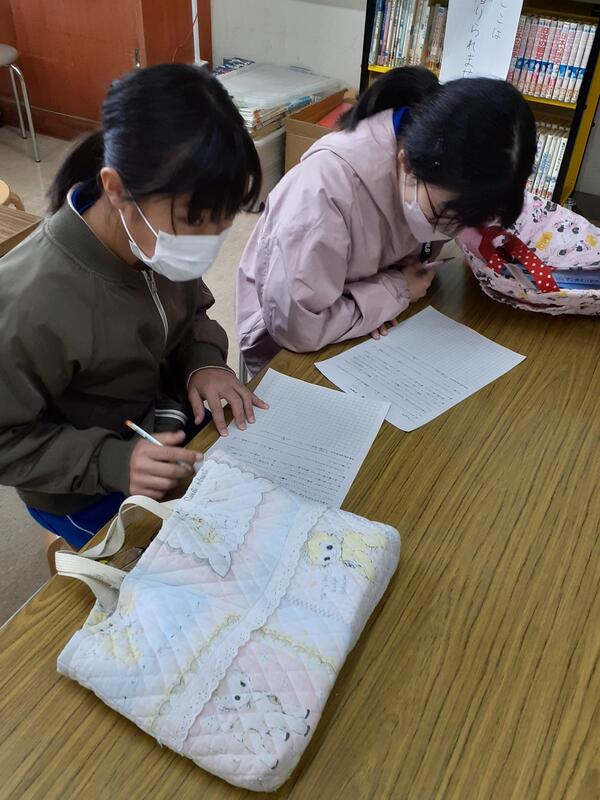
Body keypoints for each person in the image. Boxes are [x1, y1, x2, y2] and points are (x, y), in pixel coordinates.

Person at [0, 63, 266, 549]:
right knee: (187, 563)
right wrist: (113, 462)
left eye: (224, 220)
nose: (209, 241)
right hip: (80, 483)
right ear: (117, 188)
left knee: (257, 501)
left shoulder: (149, 238)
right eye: (195, 220)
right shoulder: (29, 301)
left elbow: (190, 316)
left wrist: (203, 362)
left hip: (157, 420)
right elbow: (5, 440)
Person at [236, 66, 537, 374]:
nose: (455, 230)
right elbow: (297, 328)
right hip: (286, 349)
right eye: (448, 215)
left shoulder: (430, 171)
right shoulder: (321, 193)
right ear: (407, 164)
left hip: (369, 313)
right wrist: (395, 290)